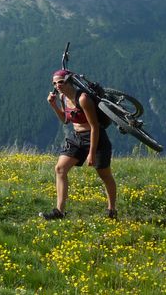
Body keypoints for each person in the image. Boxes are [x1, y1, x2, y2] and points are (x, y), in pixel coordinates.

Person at [39, 69, 117, 220]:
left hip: (96, 138)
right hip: (77, 137)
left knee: (104, 175)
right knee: (60, 169)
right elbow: (65, 120)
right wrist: (53, 105)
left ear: (69, 81)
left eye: (60, 82)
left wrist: (92, 153)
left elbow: (94, 127)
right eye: (54, 83)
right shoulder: (62, 97)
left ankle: (112, 210)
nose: (57, 85)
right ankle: (59, 212)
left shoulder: (83, 99)